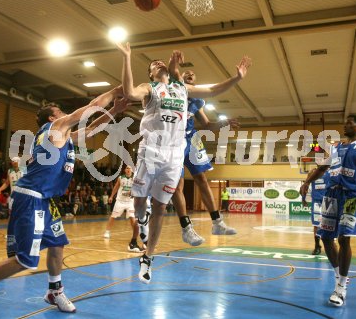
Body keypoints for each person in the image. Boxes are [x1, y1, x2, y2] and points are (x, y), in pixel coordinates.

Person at [0, 87, 126, 318]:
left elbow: (90, 130)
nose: (65, 113)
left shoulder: (63, 136)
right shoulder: (55, 128)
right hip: (31, 197)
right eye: (61, 111)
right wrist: (117, 90)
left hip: (45, 199)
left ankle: (54, 291)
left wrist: (115, 109)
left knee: (57, 244)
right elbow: (90, 108)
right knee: (25, 261)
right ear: (52, 118)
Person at [116, 42, 251, 284]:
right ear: (151, 73)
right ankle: (141, 218)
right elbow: (129, 92)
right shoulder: (150, 87)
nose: (158, 64)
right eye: (153, 64)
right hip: (151, 150)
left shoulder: (182, 89)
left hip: (174, 154)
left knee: (160, 207)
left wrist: (236, 78)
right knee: (139, 203)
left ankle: (148, 257)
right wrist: (126, 57)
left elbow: (212, 90)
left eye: (160, 62)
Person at [300, 114, 356, 307]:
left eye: (349, 122)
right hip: (331, 195)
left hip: (351, 197)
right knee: (324, 236)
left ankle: (340, 288)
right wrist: (307, 182)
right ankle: (339, 273)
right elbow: (321, 168)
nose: (345, 125)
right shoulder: (336, 147)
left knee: (343, 238)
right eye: (345, 122)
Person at [166, 63, 237, 246]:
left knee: (203, 180)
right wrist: (174, 65)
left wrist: (223, 124)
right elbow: (173, 75)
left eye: (193, 74)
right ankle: (186, 227)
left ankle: (217, 223)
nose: (190, 73)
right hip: (173, 140)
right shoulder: (173, 92)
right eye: (186, 72)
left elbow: (206, 124)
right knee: (178, 184)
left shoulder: (197, 101)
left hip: (192, 139)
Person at [104, 165, 143, 252]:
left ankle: (135, 236)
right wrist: (111, 196)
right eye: (127, 168)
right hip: (120, 201)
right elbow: (116, 187)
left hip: (130, 202)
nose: (128, 169)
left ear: (132, 171)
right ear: (125, 170)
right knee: (113, 216)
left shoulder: (135, 179)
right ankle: (107, 231)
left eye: (129, 168)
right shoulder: (120, 178)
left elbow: (138, 189)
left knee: (132, 218)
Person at [302, 167, 330, 255]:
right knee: (316, 225)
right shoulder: (312, 172)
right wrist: (303, 198)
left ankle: (330, 246)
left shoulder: (331, 171)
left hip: (328, 201)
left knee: (330, 225)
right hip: (316, 202)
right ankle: (317, 246)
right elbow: (305, 186)